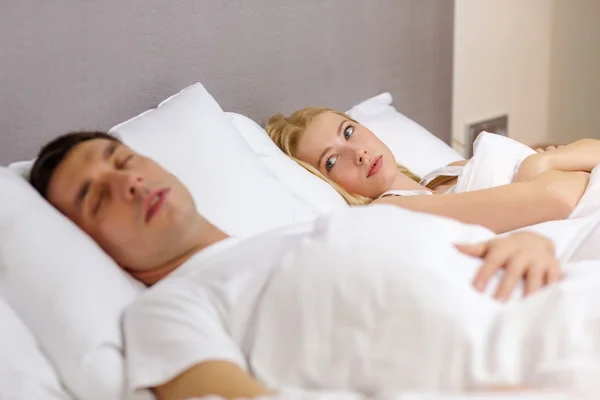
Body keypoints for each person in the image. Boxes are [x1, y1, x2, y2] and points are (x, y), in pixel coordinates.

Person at [29, 131, 572, 400]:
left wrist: (534, 246)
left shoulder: (298, 232)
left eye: (123, 162)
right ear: (89, 242)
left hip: (561, 301)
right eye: (96, 198)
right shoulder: (170, 310)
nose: (126, 183)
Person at [266, 108, 596, 234]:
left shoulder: (445, 173)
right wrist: (547, 163)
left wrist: (543, 163)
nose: (360, 154)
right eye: (332, 161)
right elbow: (557, 198)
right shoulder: (392, 209)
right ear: (325, 182)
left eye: (349, 132)